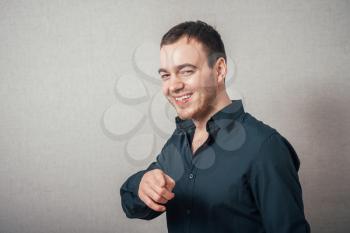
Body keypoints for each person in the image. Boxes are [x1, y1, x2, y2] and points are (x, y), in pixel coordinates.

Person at [120, 20, 311, 233]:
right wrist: (142, 184)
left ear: (219, 70)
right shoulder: (179, 140)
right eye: (166, 75)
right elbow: (133, 206)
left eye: (186, 71)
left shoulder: (265, 147)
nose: (173, 86)